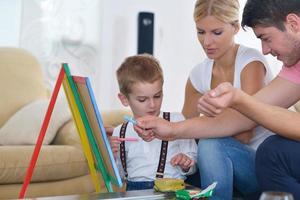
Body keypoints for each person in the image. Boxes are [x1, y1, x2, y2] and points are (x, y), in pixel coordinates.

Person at [134, 0, 300, 198]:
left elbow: (248, 124)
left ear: (293, 23)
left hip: (258, 158)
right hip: (252, 160)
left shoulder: (251, 61)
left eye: (266, 38)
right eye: (201, 32)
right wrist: (172, 129)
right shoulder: (294, 68)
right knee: (196, 167)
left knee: (272, 151)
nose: (265, 50)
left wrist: (237, 100)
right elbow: (248, 116)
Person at [181, 0, 274, 199]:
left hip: (261, 167)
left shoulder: (251, 62)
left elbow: (245, 134)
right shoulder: (198, 75)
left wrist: (204, 122)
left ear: (235, 27)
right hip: (220, 166)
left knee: (210, 143)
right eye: (200, 32)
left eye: (216, 32)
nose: (207, 42)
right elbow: (185, 133)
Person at [109, 54, 197, 191]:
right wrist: (113, 157)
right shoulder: (120, 131)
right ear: (124, 99)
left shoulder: (176, 121)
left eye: (157, 96)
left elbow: (193, 163)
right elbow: (119, 178)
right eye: (142, 99)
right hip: (134, 192)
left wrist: (186, 163)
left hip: (171, 191)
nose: (152, 105)